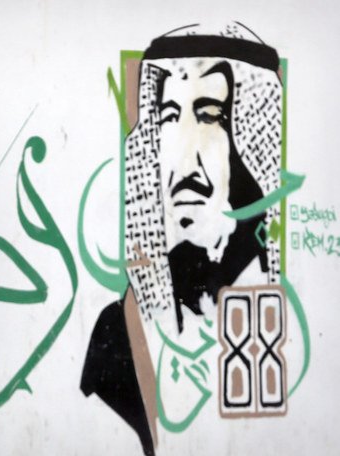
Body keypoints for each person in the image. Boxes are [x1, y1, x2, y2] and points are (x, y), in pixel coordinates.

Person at [81, 23, 285, 456]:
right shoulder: (115, 331)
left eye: (209, 115)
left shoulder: (282, 321)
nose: (183, 153)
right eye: (170, 116)